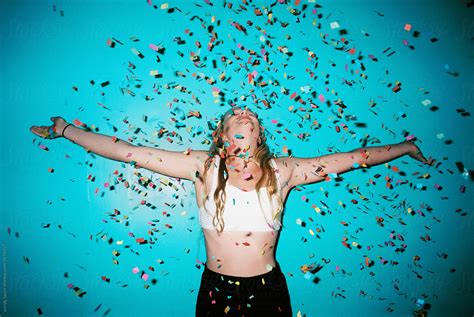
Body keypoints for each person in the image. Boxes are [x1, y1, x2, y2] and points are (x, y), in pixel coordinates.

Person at [29, 107, 435, 316]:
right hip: (217, 288)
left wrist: (405, 147)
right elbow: (129, 152)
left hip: (269, 289)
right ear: (221, 135)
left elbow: (350, 158)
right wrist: (66, 130)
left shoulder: (284, 170)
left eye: (251, 117)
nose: (244, 114)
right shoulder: (204, 168)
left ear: (259, 133)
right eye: (234, 117)